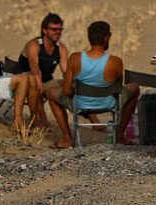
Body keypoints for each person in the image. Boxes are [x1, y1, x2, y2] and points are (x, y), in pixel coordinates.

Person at [45, 21, 140, 149]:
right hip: (109, 103)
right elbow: (118, 88)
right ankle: (119, 136)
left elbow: (66, 92)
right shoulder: (115, 61)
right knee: (135, 88)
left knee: (51, 92)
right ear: (106, 38)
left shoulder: (75, 58)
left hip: (80, 104)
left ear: (89, 38)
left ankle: (67, 138)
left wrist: (78, 88)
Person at [16, 12, 69, 128]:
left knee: (70, 85)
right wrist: (38, 79)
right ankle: (39, 118)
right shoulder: (34, 44)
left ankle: (91, 120)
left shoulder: (61, 48)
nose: (58, 32)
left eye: (60, 29)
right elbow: (34, 65)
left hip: (46, 81)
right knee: (35, 81)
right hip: (25, 80)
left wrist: (70, 83)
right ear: (44, 30)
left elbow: (66, 72)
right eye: (54, 29)